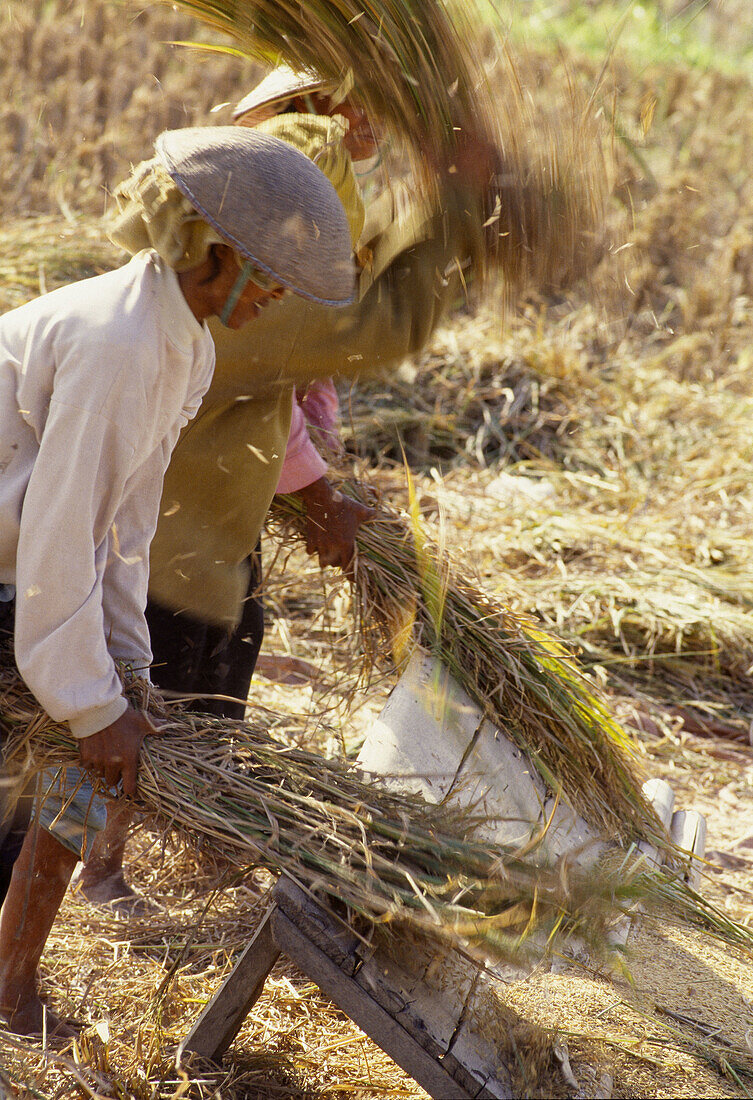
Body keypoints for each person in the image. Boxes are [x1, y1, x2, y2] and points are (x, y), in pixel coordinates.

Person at [75, 66, 492, 910]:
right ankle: (96, 869)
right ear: (328, 102)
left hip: (207, 507)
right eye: (366, 107)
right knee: (120, 699)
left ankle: (175, 851)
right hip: (167, 516)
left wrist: (317, 480)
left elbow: (291, 373)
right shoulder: (294, 165)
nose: (375, 127)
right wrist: (459, 215)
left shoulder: (304, 185)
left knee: (209, 670)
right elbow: (310, 338)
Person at [0, 123, 355, 1037]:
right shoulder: (118, 342)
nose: (275, 295)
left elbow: (124, 521)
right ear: (208, 249)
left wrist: (126, 669)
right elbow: (59, 530)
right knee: (69, 755)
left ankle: (11, 976)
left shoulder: (182, 343)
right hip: (15, 564)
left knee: (89, 766)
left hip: (27, 567)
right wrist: (89, 702)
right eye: (266, 271)